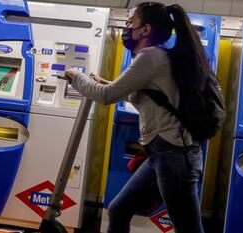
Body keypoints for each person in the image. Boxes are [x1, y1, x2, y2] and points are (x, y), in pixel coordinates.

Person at [64, 2, 211, 233]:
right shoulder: (158, 55)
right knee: (119, 209)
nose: (126, 27)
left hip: (174, 155)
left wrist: (76, 76)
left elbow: (106, 97)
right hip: (162, 152)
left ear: (145, 29)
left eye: (130, 22)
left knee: (189, 229)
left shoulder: (150, 57)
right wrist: (108, 83)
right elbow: (153, 99)